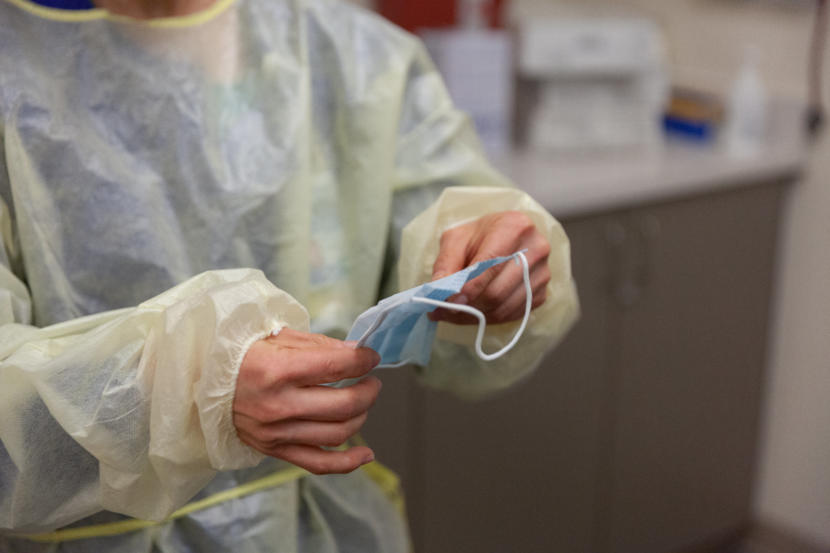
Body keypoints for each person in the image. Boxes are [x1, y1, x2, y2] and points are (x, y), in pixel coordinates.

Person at [0, 0, 579, 550]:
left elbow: (448, 218)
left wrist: (490, 263)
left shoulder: (348, 54)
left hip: (321, 530)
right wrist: (184, 388)